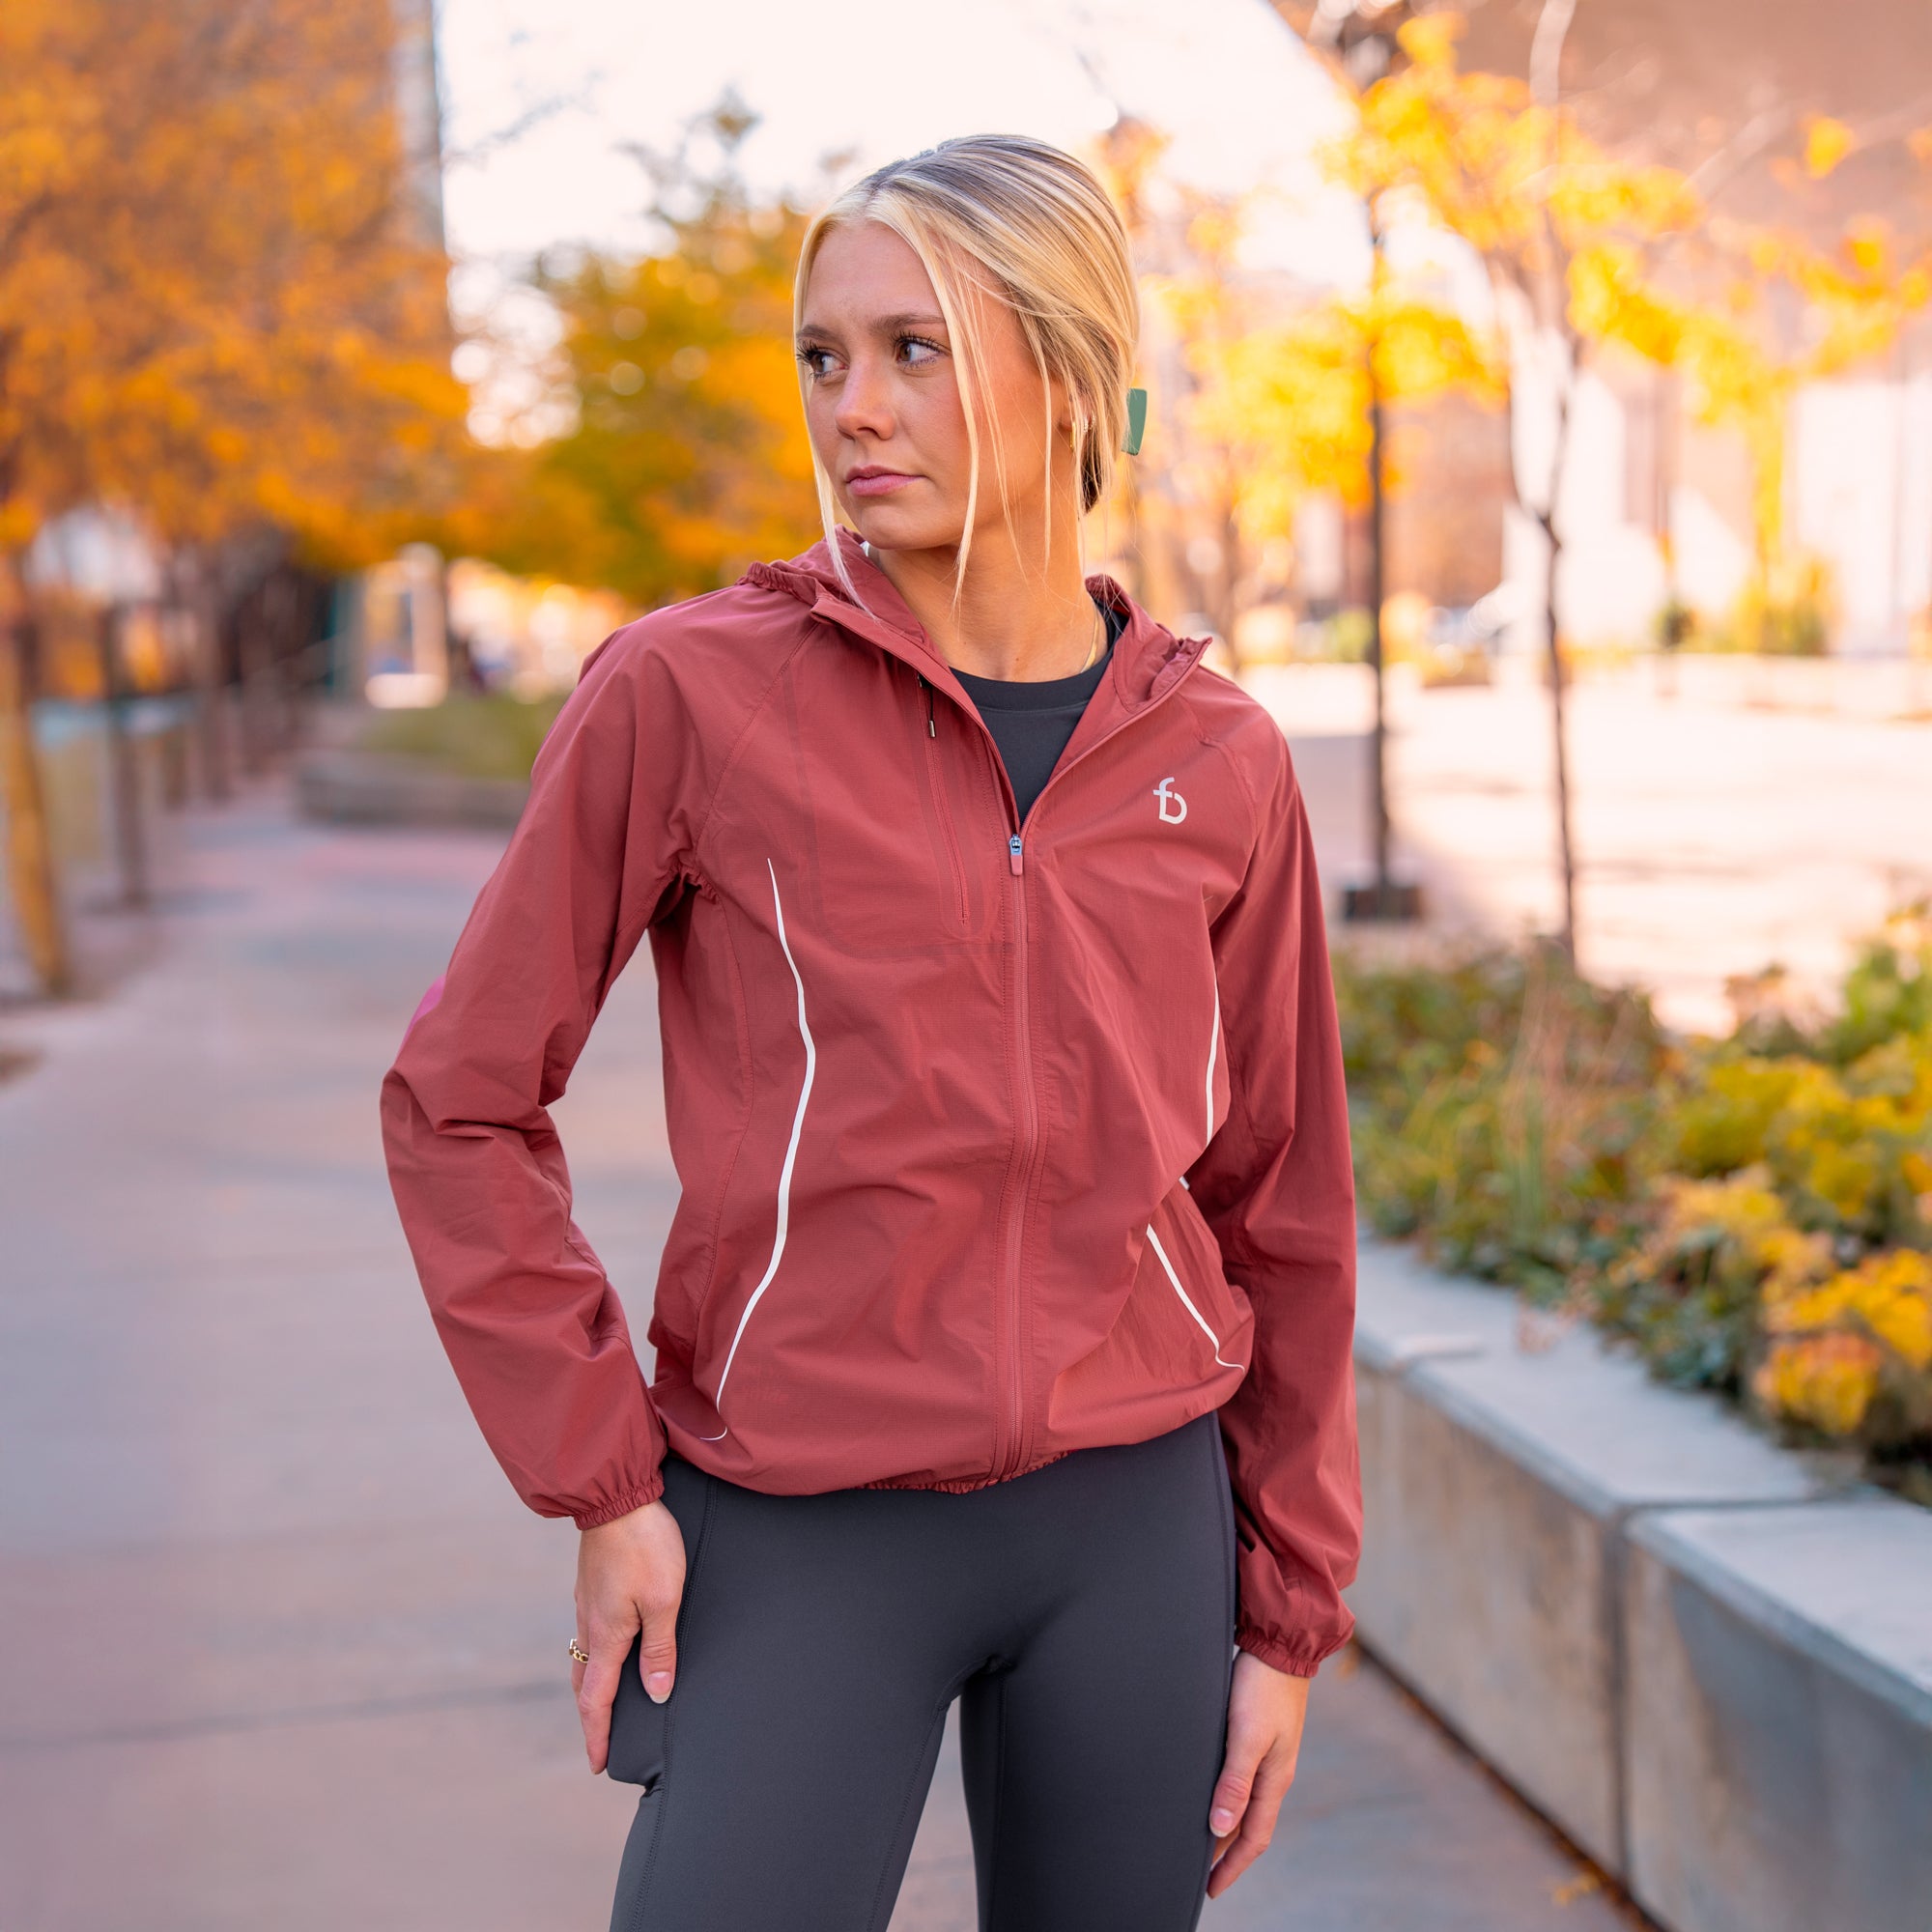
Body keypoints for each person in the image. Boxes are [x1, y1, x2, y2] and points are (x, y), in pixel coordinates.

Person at [382, 133, 1360, 1932]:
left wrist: (1289, 1614)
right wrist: (603, 1481)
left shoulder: (1219, 759)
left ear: (1072, 377)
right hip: (796, 1517)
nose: (854, 407)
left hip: (1135, 1523)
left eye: (918, 350)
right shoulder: (692, 692)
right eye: (825, 356)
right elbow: (459, 1101)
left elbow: (1281, 1198)